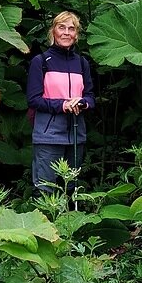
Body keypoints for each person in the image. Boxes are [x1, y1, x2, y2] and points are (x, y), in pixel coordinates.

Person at [26, 11, 96, 195]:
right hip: (48, 135)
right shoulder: (41, 61)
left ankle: (69, 214)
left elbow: (90, 97)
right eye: (61, 27)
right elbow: (33, 99)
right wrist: (63, 105)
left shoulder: (82, 63)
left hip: (76, 134)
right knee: (45, 188)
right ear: (53, 31)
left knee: (71, 187)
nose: (66, 33)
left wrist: (82, 103)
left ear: (76, 34)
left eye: (71, 29)